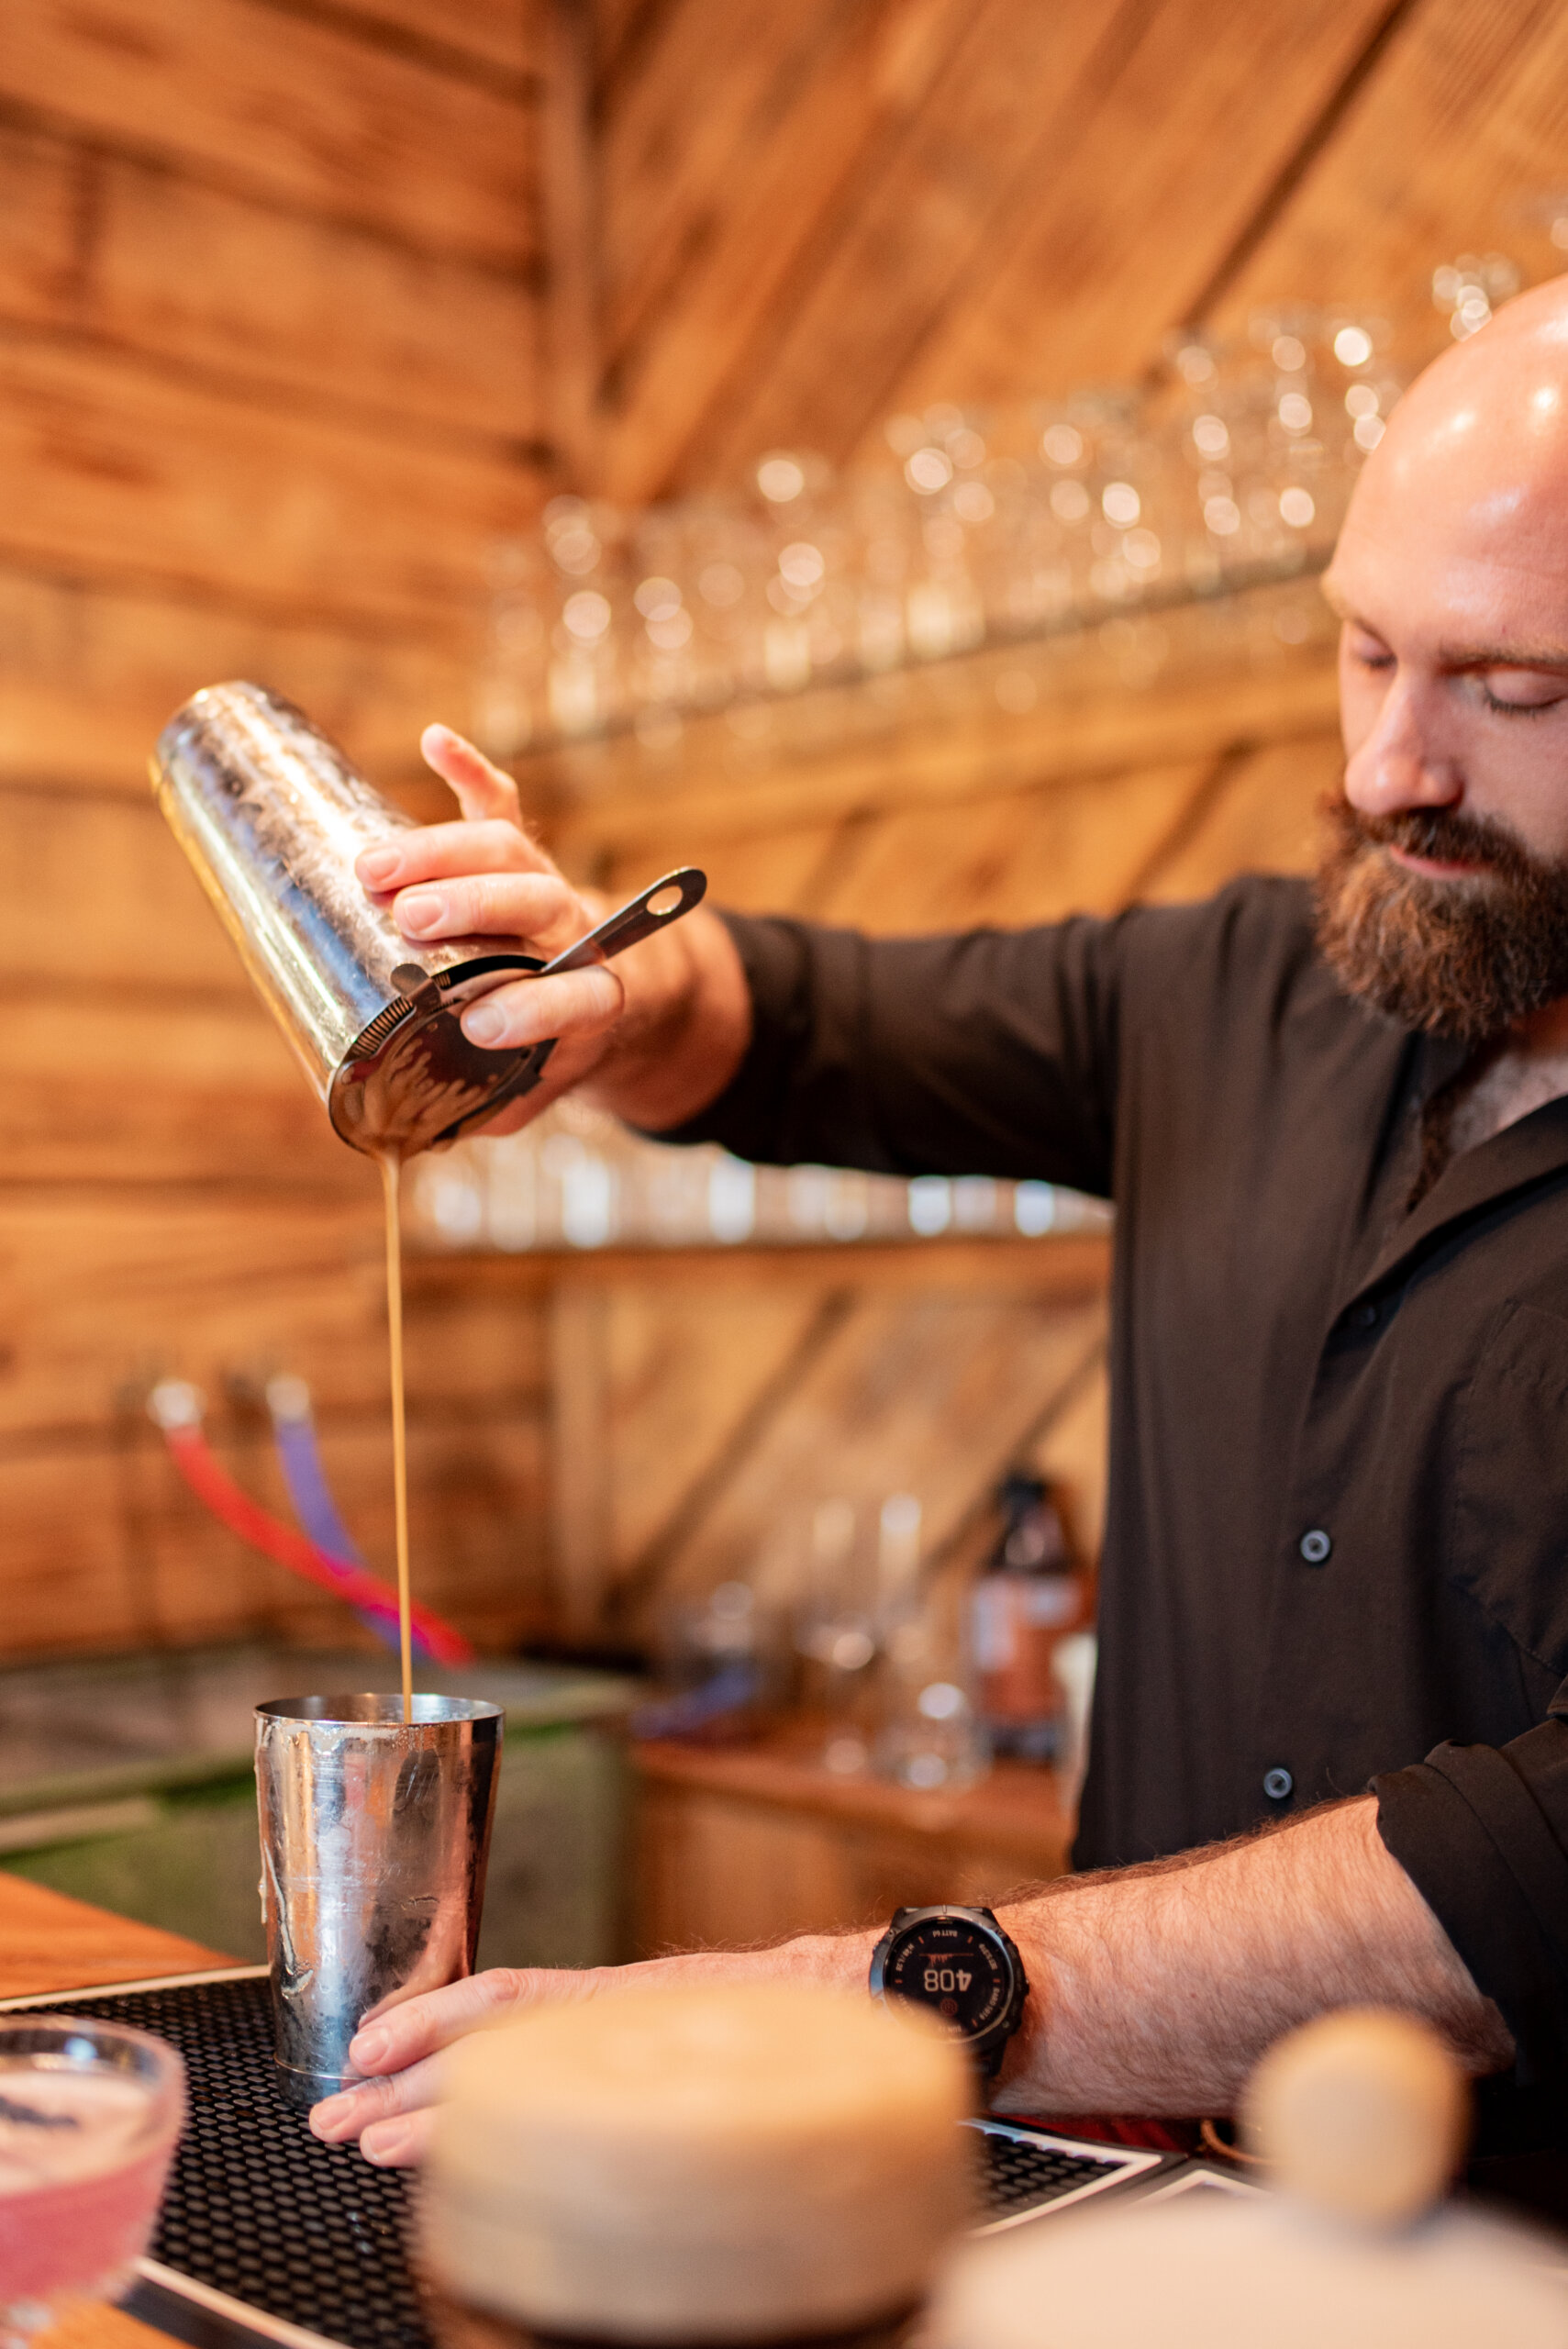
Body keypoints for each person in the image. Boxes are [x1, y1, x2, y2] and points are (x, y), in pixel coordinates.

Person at [314, 280, 1568, 2171]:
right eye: (1364, 651)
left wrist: (842, 2004)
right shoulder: (1241, 987)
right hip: (1146, 2225)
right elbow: (813, 1025)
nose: (1394, 764)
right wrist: (622, 991)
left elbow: (1525, 1866)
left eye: (1512, 690)